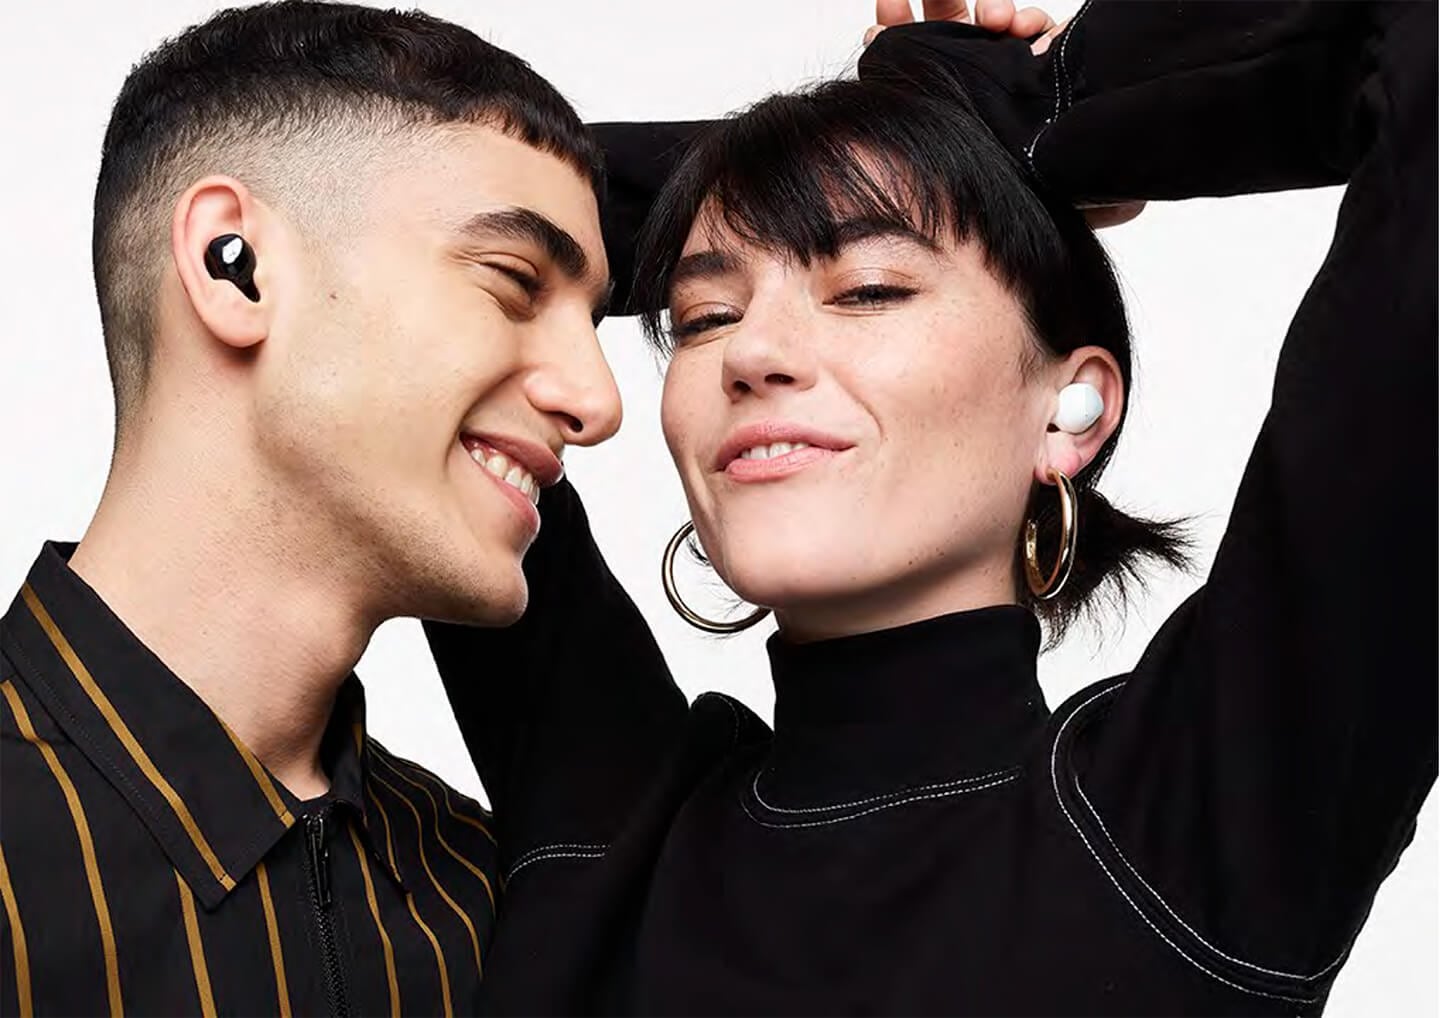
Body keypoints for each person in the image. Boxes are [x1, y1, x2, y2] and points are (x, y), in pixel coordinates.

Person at [425, 0, 1437, 1013]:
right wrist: (914, 127)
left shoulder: (1186, 830)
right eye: (705, 314)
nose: (752, 352)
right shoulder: (613, 826)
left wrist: (1056, 107)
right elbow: (405, 219)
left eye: (867, 289)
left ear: (1070, 411)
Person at [0, 3, 639, 1014]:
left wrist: (947, 124)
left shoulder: (483, 893)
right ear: (235, 265)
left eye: (595, 316)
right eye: (516, 280)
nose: (598, 402)